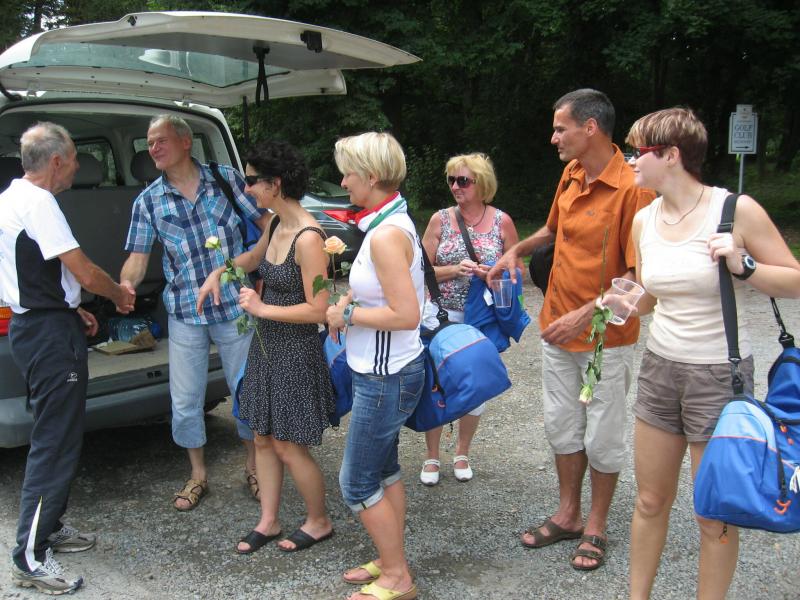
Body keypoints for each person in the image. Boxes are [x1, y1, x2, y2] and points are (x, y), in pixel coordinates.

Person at [621, 108, 800, 599]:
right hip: (660, 369)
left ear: (671, 155)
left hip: (719, 376)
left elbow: (794, 279)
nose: (631, 161)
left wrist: (744, 266)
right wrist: (625, 302)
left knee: (713, 512)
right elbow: (651, 297)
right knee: (650, 501)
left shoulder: (734, 210)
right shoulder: (643, 219)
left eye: (639, 151)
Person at [488, 89, 654, 570]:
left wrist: (584, 315)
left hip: (605, 339)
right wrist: (515, 251)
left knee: (603, 435)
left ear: (590, 128)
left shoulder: (634, 189)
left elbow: (639, 280)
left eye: (561, 128)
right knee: (561, 426)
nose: (554, 137)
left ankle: (596, 524)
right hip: (557, 329)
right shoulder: (573, 172)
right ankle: (568, 514)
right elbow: (552, 230)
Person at [0, 122, 135, 594]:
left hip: (39, 323)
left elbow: (32, 270)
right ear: (56, 161)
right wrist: (118, 295)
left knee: (58, 433)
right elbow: (83, 269)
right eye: (76, 158)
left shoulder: (11, 197)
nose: (79, 166)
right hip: (48, 334)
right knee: (55, 441)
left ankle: (50, 525)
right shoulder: (40, 203)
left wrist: (69, 307)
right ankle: (30, 555)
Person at [120, 115, 269, 511]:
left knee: (247, 390)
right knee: (186, 400)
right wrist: (125, 287)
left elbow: (267, 220)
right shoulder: (148, 200)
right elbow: (137, 258)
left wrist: (272, 254)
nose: (152, 148)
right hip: (186, 311)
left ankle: (254, 466)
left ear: (186, 142)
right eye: (149, 143)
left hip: (235, 304)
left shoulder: (225, 179)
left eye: (160, 140)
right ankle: (198, 474)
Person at [197, 141, 335, 554]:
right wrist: (219, 271)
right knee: (262, 437)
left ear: (275, 184)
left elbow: (319, 310)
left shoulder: (309, 238)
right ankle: (269, 520)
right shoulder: (275, 224)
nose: (247, 188)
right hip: (266, 347)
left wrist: (262, 308)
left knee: (289, 445)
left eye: (252, 180)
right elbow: (253, 258)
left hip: (295, 352)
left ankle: (319, 521)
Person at [327, 132, 424, 600]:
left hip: (386, 375)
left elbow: (406, 314)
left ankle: (398, 577)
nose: (343, 182)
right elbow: (382, 291)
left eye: (348, 173)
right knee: (384, 471)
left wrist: (345, 315)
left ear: (370, 175)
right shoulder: (390, 222)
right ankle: (390, 561)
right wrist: (350, 298)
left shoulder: (385, 235)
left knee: (356, 481)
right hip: (387, 370)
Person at [419, 153, 519, 485]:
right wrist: (453, 270)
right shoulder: (440, 220)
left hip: (481, 317)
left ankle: (462, 452)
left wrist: (494, 274)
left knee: (475, 384)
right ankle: (432, 455)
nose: (455, 186)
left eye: (463, 180)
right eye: (451, 180)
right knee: (435, 383)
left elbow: (515, 271)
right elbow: (419, 270)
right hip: (442, 314)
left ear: (481, 183)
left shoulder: (502, 222)